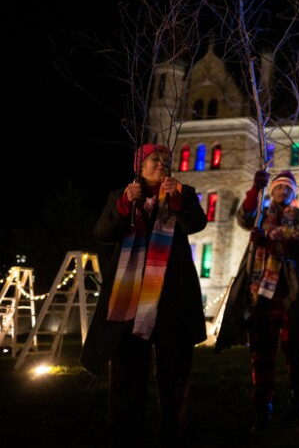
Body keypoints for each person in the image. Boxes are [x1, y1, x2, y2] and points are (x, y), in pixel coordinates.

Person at [81, 143, 208, 447]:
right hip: (130, 297)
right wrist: (125, 204)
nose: (161, 164)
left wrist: (177, 200)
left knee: (173, 371)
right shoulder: (124, 195)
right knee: (126, 371)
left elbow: (196, 223)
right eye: (154, 159)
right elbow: (102, 233)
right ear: (139, 165)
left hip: (169, 296)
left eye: (166, 160)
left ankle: (174, 430)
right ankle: (125, 431)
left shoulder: (183, 192)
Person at [214, 169, 299, 434]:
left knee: (294, 350)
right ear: (272, 191)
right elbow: (243, 217)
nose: (283, 193)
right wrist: (254, 190)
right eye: (279, 188)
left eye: (288, 190)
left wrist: (274, 236)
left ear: (294, 194)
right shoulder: (261, 213)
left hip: (288, 292)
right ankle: (263, 407)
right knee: (261, 352)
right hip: (260, 291)